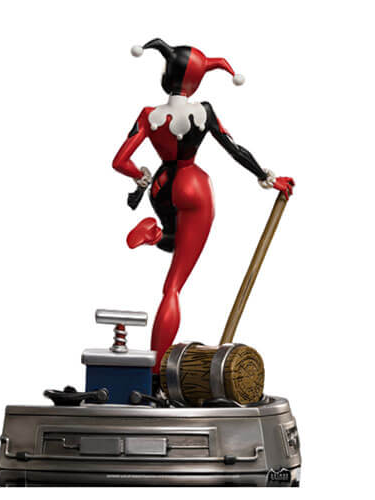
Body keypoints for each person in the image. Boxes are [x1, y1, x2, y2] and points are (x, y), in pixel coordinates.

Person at [113, 39, 294, 372]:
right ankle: (156, 372)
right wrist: (268, 178)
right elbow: (233, 148)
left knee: (175, 242)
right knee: (173, 286)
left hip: (161, 187)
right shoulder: (204, 112)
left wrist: (140, 176)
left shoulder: (148, 115)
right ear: (195, 80)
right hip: (193, 187)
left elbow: (120, 161)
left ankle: (157, 235)